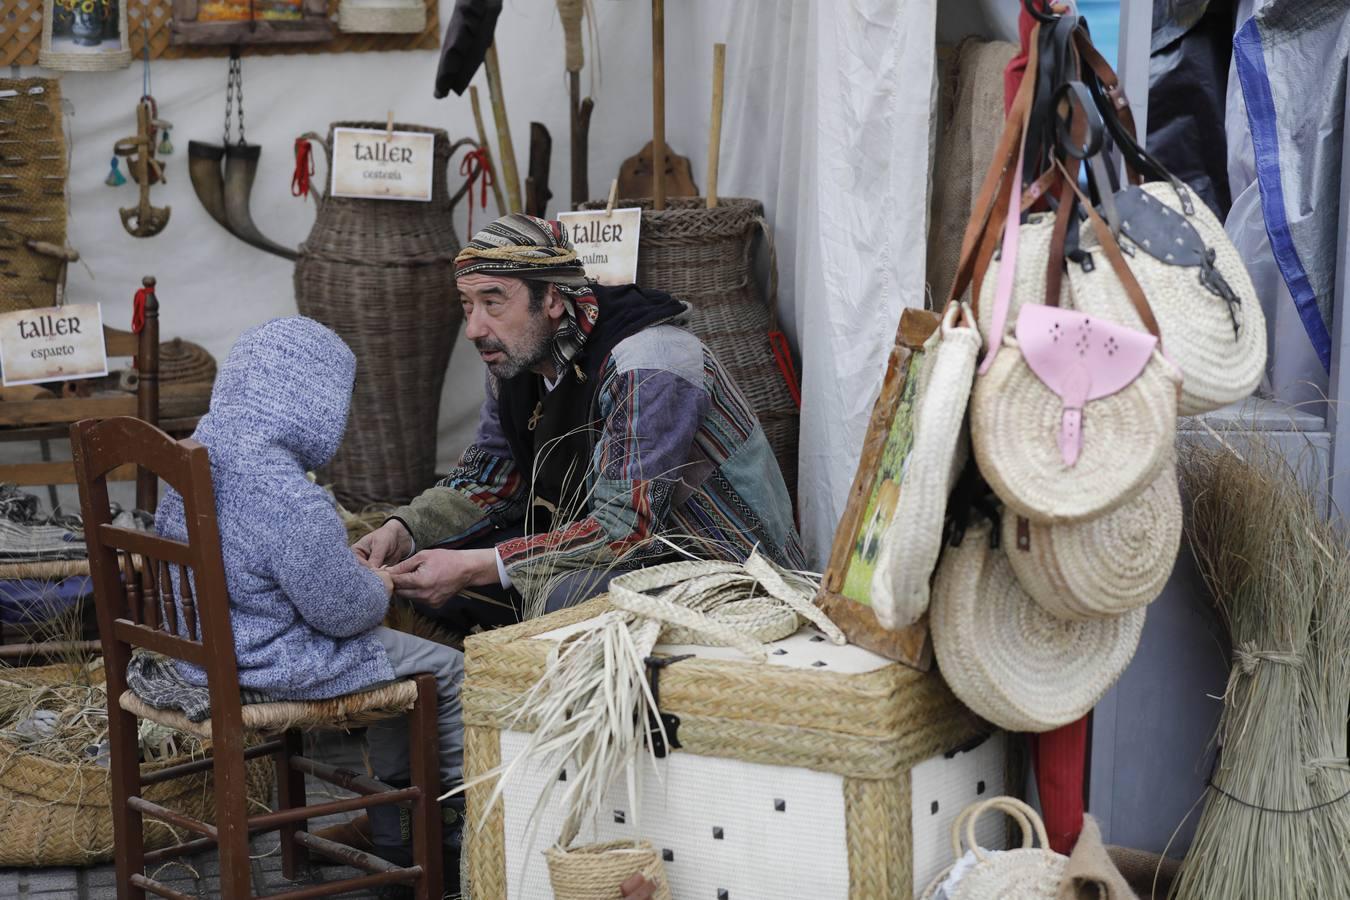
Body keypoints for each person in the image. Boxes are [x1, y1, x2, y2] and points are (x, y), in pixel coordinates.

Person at [354, 213, 804, 628]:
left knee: (556, 597)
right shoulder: (515, 360)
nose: (474, 328)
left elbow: (626, 528)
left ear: (551, 298)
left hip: (724, 565)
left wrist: (481, 565)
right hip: (610, 545)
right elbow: (490, 480)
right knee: (433, 571)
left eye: (493, 302)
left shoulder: (651, 364)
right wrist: (405, 531)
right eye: (467, 305)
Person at [154, 318, 465, 893]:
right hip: (268, 660)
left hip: (193, 651)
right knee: (441, 667)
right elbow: (344, 614)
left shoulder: (194, 452)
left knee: (402, 667)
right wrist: (378, 583)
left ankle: (394, 832)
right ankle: (452, 823)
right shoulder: (288, 495)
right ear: (316, 408)